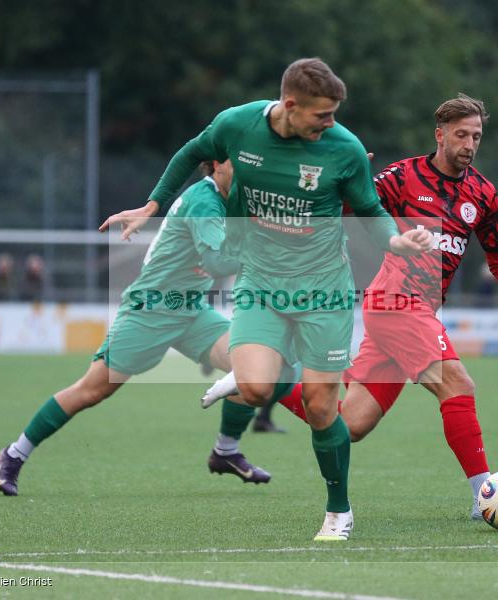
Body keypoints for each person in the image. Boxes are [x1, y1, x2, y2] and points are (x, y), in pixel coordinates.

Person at [102, 57, 430, 541]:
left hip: (324, 292)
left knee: (321, 408)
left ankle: (338, 510)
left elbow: (370, 210)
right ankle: (252, 373)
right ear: (290, 105)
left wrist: (396, 241)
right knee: (255, 389)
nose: (331, 124)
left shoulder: (345, 149)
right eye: (322, 115)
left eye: (335, 114)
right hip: (261, 284)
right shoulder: (238, 124)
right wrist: (151, 204)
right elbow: (191, 152)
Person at [204, 94, 498, 523]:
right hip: (396, 301)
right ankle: (485, 495)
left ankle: (272, 378)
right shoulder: (402, 177)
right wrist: (342, 180)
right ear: (440, 135)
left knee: (350, 424)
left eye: (476, 136)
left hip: (415, 308)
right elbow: (348, 211)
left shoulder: (483, 193)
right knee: (458, 384)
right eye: (461, 135)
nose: (470, 144)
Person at [0, 160, 280, 498]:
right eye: (239, 157)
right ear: (217, 164)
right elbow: (219, 260)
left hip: (190, 309)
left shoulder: (235, 196)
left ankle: (226, 451)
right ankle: (14, 454)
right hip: (151, 310)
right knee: (93, 389)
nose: (251, 161)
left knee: (250, 367)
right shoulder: (204, 200)